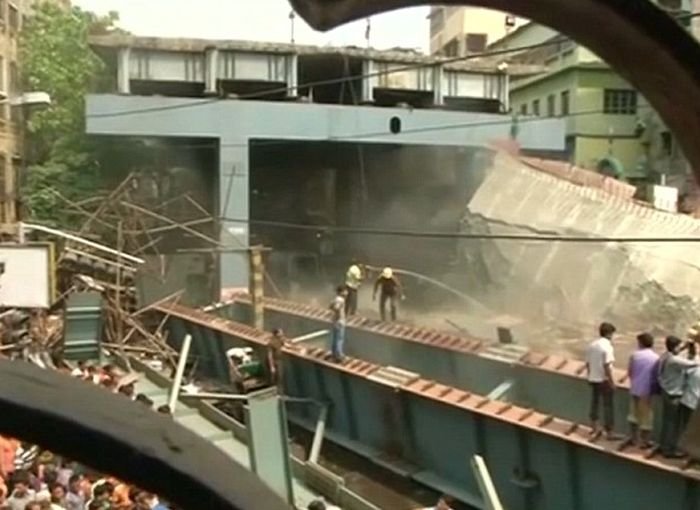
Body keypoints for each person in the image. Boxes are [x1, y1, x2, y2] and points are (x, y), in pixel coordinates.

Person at [658, 335, 697, 458]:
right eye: (678, 346)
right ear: (674, 347)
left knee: (667, 422)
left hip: (667, 392)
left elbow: (678, 352)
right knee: (672, 424)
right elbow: (693, 364)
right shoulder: (674, 360)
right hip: (673, 395)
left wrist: (686, 345)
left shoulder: (666, 356)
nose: (680, 349)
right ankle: (669, 450)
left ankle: (663, 445)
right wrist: (693, 351)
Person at [626, 332, 659, 448]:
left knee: (633, 414)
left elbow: (630, 372)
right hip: (647, 391)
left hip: (635, 388)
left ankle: (633, 438)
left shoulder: (634, 355)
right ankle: (645, 441)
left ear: (640, 343)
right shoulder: (656, 358)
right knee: (646, 417)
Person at [585, 322, 618, 440]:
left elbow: (588, 363)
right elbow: (607, 366)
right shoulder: (607, 347)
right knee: (608, 405)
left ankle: (594, 427)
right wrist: (611, 382)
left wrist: (589, 375)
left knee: (595, 403)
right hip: (604, 380)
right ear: (609, 334)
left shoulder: (592, 345)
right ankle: (610, 432)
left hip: (593, 378)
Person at [680, 363, 700, 445]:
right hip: (695, 402)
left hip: (686, 399)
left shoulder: (694, 369)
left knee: (684, 426)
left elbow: (684, 378)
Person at [329, 285, 348, 363]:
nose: (347, 292)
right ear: (341, 292)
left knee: (335, 338)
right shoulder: (341, 300)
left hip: (335, 321)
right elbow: (336, 308)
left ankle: (334, 354)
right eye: (345, 291)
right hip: (340, 321)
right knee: (339, 339)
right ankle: (339, 356)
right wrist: (338, 312)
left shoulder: (335, 299)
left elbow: (330, 306)